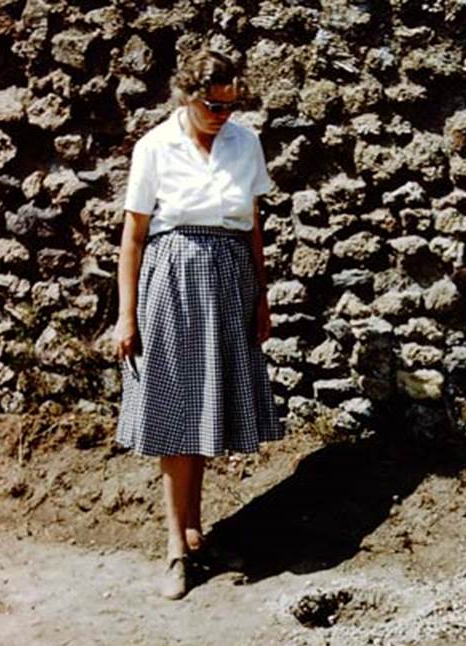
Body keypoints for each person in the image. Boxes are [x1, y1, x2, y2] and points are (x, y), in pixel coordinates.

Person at [113, 49, 284, 600]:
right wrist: (126, 313)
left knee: (207, 407)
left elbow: (253, 228)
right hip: (173, 279)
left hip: (229, 276)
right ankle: (173, 547)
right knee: (175, 412)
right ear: (187, 96)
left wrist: (261, 296)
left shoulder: (245, 143)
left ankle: (195, 531)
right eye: (213, 105)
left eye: (231, 106)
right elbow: (133, 236)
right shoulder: (154, 147)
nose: (223, 115)